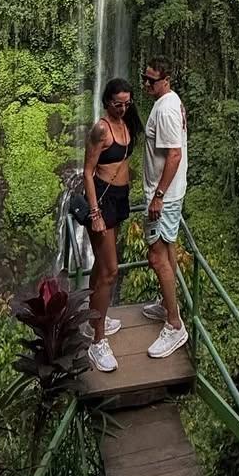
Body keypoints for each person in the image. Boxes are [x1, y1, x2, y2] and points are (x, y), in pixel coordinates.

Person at [82, 77, 143, 373]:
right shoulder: (101, 129)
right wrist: (94, 213)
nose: (122, 108)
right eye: (117, 104)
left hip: (120, 199)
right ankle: (97, 341)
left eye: (126, 103)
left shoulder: (126, 124)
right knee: (110, 270)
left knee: (100, 266)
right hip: (102, 202)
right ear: (106, 101)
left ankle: (95, 317)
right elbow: (87, 171)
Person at [139, 57, 189, 359]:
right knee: (167, 249)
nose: (146, 84)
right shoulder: (168, 102)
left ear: (166, 79)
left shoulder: (167, 108)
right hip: (170, 193)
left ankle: (174, 325)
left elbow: (174, 155)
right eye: (144, 78)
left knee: (157, 258)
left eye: (151, 80)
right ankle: (168, 304)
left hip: (164, 197)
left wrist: (157, 195)